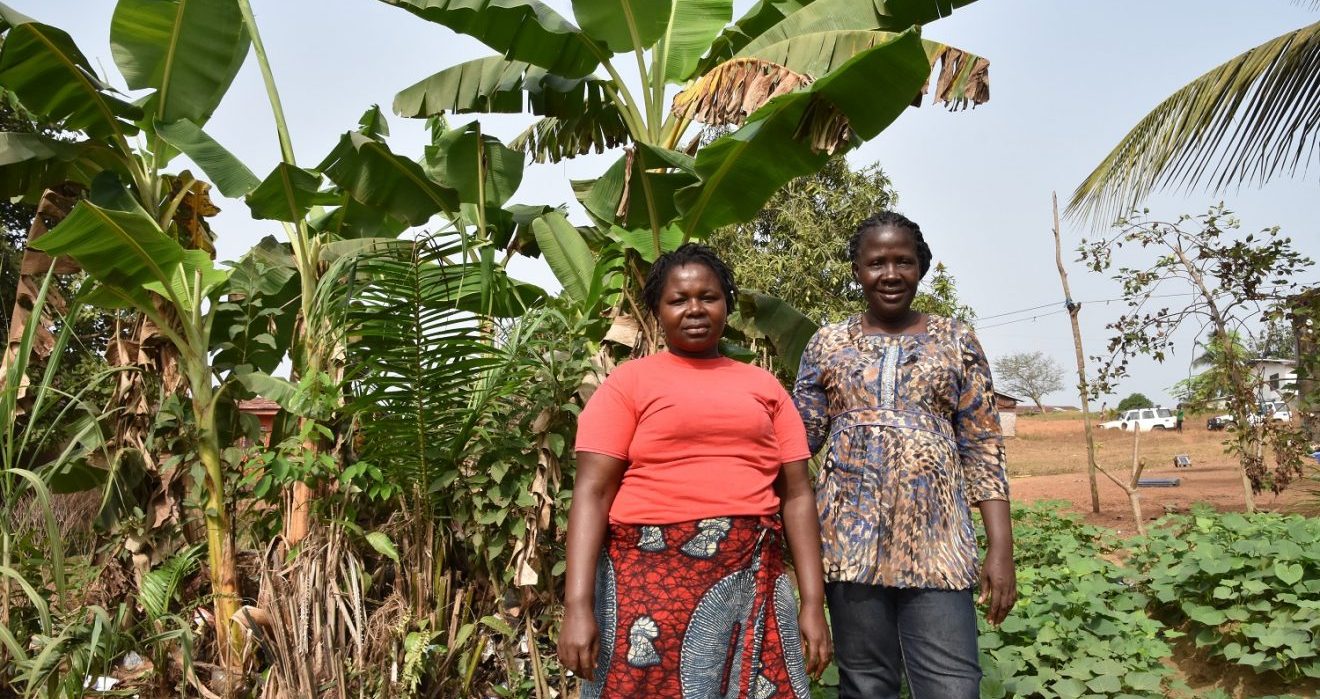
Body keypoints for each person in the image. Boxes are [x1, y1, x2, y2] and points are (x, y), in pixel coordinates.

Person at [558, 243, 831, 698]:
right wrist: (577, 604)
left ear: (726, 301)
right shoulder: (628, 383)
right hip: (646, 584)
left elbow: (798, 496)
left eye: (708, 296)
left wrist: (812, 603)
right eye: (678, 300)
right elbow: (592, 493)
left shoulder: (763, 386)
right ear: (656, 310)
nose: (695, 309)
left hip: (751, 580)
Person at [793, 212, 1016, 699]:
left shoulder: (957, 340)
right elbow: (796, 440)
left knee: (953, 686)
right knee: (867, 686)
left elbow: (982, 445)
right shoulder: (828, 342)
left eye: (903, 262)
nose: (890, 274)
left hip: (940, 545)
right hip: (849, 544)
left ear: (921, 268)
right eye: (876, 263)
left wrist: (1001, 548)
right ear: (857, 269)